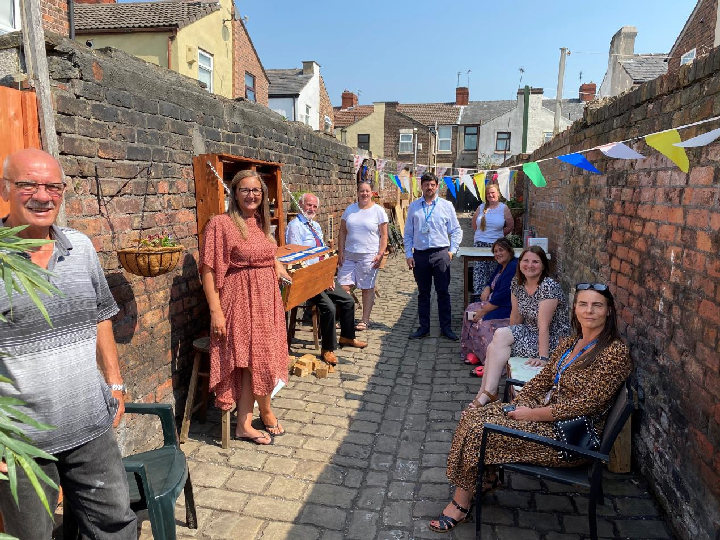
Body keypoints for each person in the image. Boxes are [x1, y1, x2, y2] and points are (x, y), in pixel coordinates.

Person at [0, 149, 137, 539]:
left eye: (53, 186)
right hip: (23, 443)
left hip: (90, 425)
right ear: (5, 188)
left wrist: (115, 382)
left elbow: (100, 316)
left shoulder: (80, 248)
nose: (42, 196)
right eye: (28, 185)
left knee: (114, 526)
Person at [428, 283, 631, 532]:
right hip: (545, 418)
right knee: (475, 416)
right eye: (583, 304)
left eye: (597, 305)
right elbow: (543, 379)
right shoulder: (570, 343)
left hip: (569, 439)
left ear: (609, 310)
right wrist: (521, 404)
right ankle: (485, 479)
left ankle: (460, 504)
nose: (589, 311)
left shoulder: (614, 352)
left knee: (482, 430)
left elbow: (586, 405)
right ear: (575, 308)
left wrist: (529, 414)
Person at [200, 170, 292, 443]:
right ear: (234, 194)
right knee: (251, 360)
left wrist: (277, 266)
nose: (251, 195)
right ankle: (248, 422)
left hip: (265, 301)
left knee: (262, 356)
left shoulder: (260, 222)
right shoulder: (222, 223)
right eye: (245, 190)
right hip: (239, 301)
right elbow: (208, 269)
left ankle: (258, 414)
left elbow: (266, 252)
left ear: (263, 195)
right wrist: (216, 311)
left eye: (256, 191)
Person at [468, 246, 571, 396]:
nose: (530, 265)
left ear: (543, 266)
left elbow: (544, 326)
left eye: (535, 262)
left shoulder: (548, 286)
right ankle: (487, 392)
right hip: (529, 333)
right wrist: (508, 338)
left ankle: (486, 393)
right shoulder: (517, 283)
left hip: (552, 341)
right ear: (520, 263)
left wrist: (543, 358)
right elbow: (516, 316)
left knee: (495, 346)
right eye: (526, 261)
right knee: (499, 339)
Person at [286, 192, 367, 366]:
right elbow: (298, 257)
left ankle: (347, 336)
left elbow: (322, 255)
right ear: (301, 205)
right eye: (309, 205)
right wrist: (318, 277)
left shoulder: (315, 226)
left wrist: (328, 275)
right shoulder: (295, 226)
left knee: (347, 300)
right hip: (306, 279)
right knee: (329, 308)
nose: (312, 209)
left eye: (315, 206)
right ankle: (327, 349)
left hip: (322, 276)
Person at [403, 172, 463, 340]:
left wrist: (452, 251)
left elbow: (456, 230)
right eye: (426, 184)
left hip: (441, 254)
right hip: (420, 255)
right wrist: (409, 254)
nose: (429, 187)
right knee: (423, 293)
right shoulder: (414, 207)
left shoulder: (446, 206)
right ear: (421, 187)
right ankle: (424, 327)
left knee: (443, 292)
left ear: (437, 186)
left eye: (432, 184)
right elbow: (408, 233)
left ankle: (446, 328)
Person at [337, 180, 389, 331]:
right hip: (349, 254)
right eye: (361, 191)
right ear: (357, 192)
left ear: (372, 193)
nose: (364, 193)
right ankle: (346, 318)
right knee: (343, 287)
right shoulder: (350, 209)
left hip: (369, 255)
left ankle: (365, 319)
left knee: (367, 287)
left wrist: (380, 253)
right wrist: (340, 251)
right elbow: (342, 232)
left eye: (367, 191)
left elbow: (384, 235)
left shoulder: (378, 211)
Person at [460, 237, 518, 368]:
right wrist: (487, 287)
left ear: (509, 251)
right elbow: (491, 279)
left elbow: (504, 295)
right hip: (493, 302)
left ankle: (491, 363)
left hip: (504, 307)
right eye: (495, 251)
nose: (497, 254)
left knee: (482, 323)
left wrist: (483, 311)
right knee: (469, 311)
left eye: (501, 250)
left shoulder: (513, 267)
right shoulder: (502, 266)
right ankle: (475, 352)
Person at [470, 183, 514, 295]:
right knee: (479, 273)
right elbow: (474, 224)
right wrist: (481, 235)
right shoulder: (481, 207)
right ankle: (478, 299)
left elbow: (510, 226)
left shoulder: (503, 208)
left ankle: (493, 298)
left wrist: (498, 235)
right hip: (480, 245)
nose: (490, 195)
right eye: (488, 193)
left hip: (497, 246)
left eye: (493, 192)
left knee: (494, 272)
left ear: (498, 194)